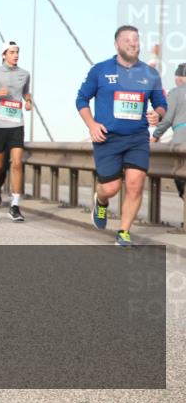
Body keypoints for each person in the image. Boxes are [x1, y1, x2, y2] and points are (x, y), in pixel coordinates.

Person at [77, 26, 167, 247]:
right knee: (111, 188)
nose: (133, 43)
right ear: (117, 44)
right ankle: (100, 200)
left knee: (135, 184)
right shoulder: (100, 70)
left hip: (137, 138)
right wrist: (91, 125)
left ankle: (124, 232)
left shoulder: (150, 74)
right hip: (107, 137)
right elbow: (81, 100)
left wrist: (157, 114)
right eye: (127, 40)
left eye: (136, 39)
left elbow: (161, 104)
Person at [0, 41, 32, 222]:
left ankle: (15, 205)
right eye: (12, 52)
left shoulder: (24, 74)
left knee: (17, 163)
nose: (15, 55)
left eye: (17, 52)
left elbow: (25, 92)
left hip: (16, 124)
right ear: (4, 54)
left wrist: (28, 100)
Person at [152, 62, 186, 199]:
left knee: (180, 174)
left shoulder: (176, 93)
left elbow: (166, 119)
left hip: (181, 141)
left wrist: (155, 136)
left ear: (179, 78)